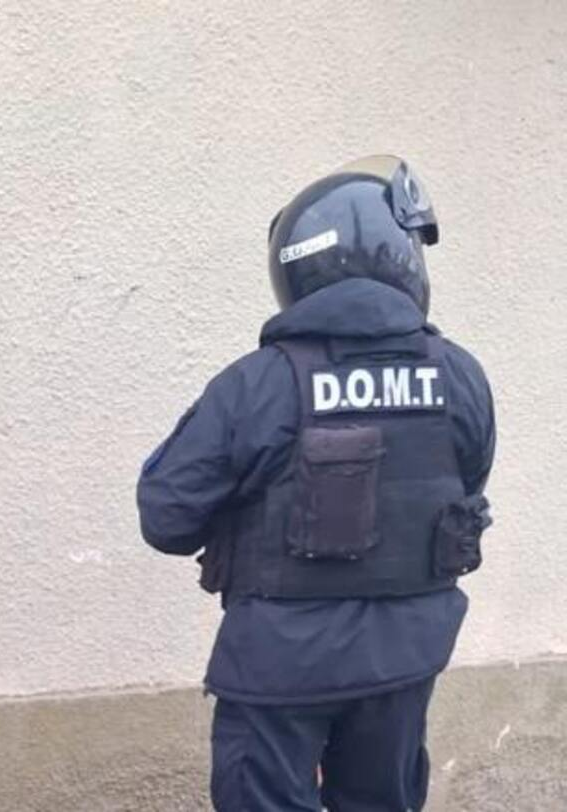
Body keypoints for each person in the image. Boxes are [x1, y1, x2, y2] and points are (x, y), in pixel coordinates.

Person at [137, 156, 495, 811]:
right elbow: (462, 482)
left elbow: (166, 517)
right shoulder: (460, 377)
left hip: (279, 669)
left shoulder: (257, 385)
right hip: (403, 663)